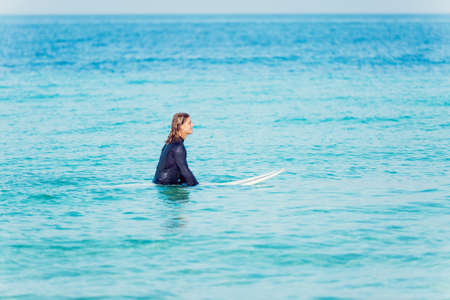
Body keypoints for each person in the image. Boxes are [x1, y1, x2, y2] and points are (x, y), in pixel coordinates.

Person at [153, 113, 199, 186]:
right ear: (180, 126)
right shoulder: (178, 147)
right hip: (166, 186)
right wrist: (197, 187)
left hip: (161, 184)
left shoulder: (169, 143)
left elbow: (181, 172)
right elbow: (185, 171)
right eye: (189, 123)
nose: (192, 125)